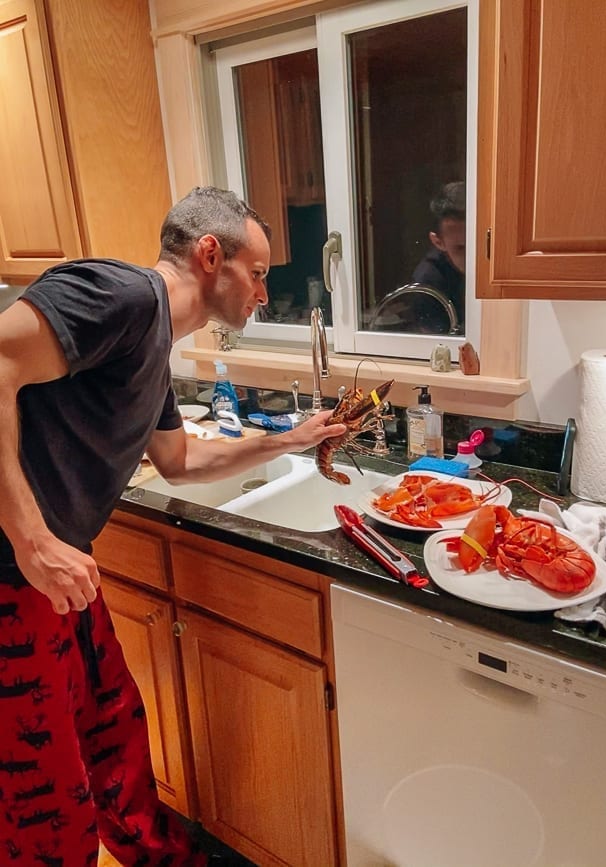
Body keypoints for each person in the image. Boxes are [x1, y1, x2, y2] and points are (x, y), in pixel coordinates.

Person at [0, 187, 347, 866]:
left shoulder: (150, 342)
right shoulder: (121, 296)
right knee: (46, 797)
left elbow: (181, 459)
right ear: (210, 254)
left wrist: (288, 440)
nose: (263, 294)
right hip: (13, 577)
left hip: (62, 569)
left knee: (114, 732)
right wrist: (31, 538)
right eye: (259, 273)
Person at [410, 180, 466, 332]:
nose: (472, 258)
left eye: (477, 244)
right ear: (438, 242)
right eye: (461, 248)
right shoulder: (428, 280)